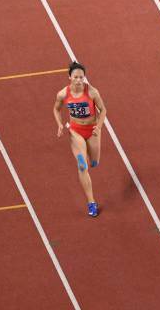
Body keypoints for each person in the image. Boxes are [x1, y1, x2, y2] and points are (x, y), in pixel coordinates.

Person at [53, 61, 106, 217]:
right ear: (70, 77)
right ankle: (91, 202)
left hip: (93, 130)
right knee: (82, 166)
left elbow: (103, 110)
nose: (78, 80)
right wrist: (59, 124)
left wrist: (99, 126)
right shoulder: (63, 94)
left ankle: (92, 159)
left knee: (94, 162)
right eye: (75, 77)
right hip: (75, 131)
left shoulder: (92, 92)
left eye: (81, 77)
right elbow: (56, 109)